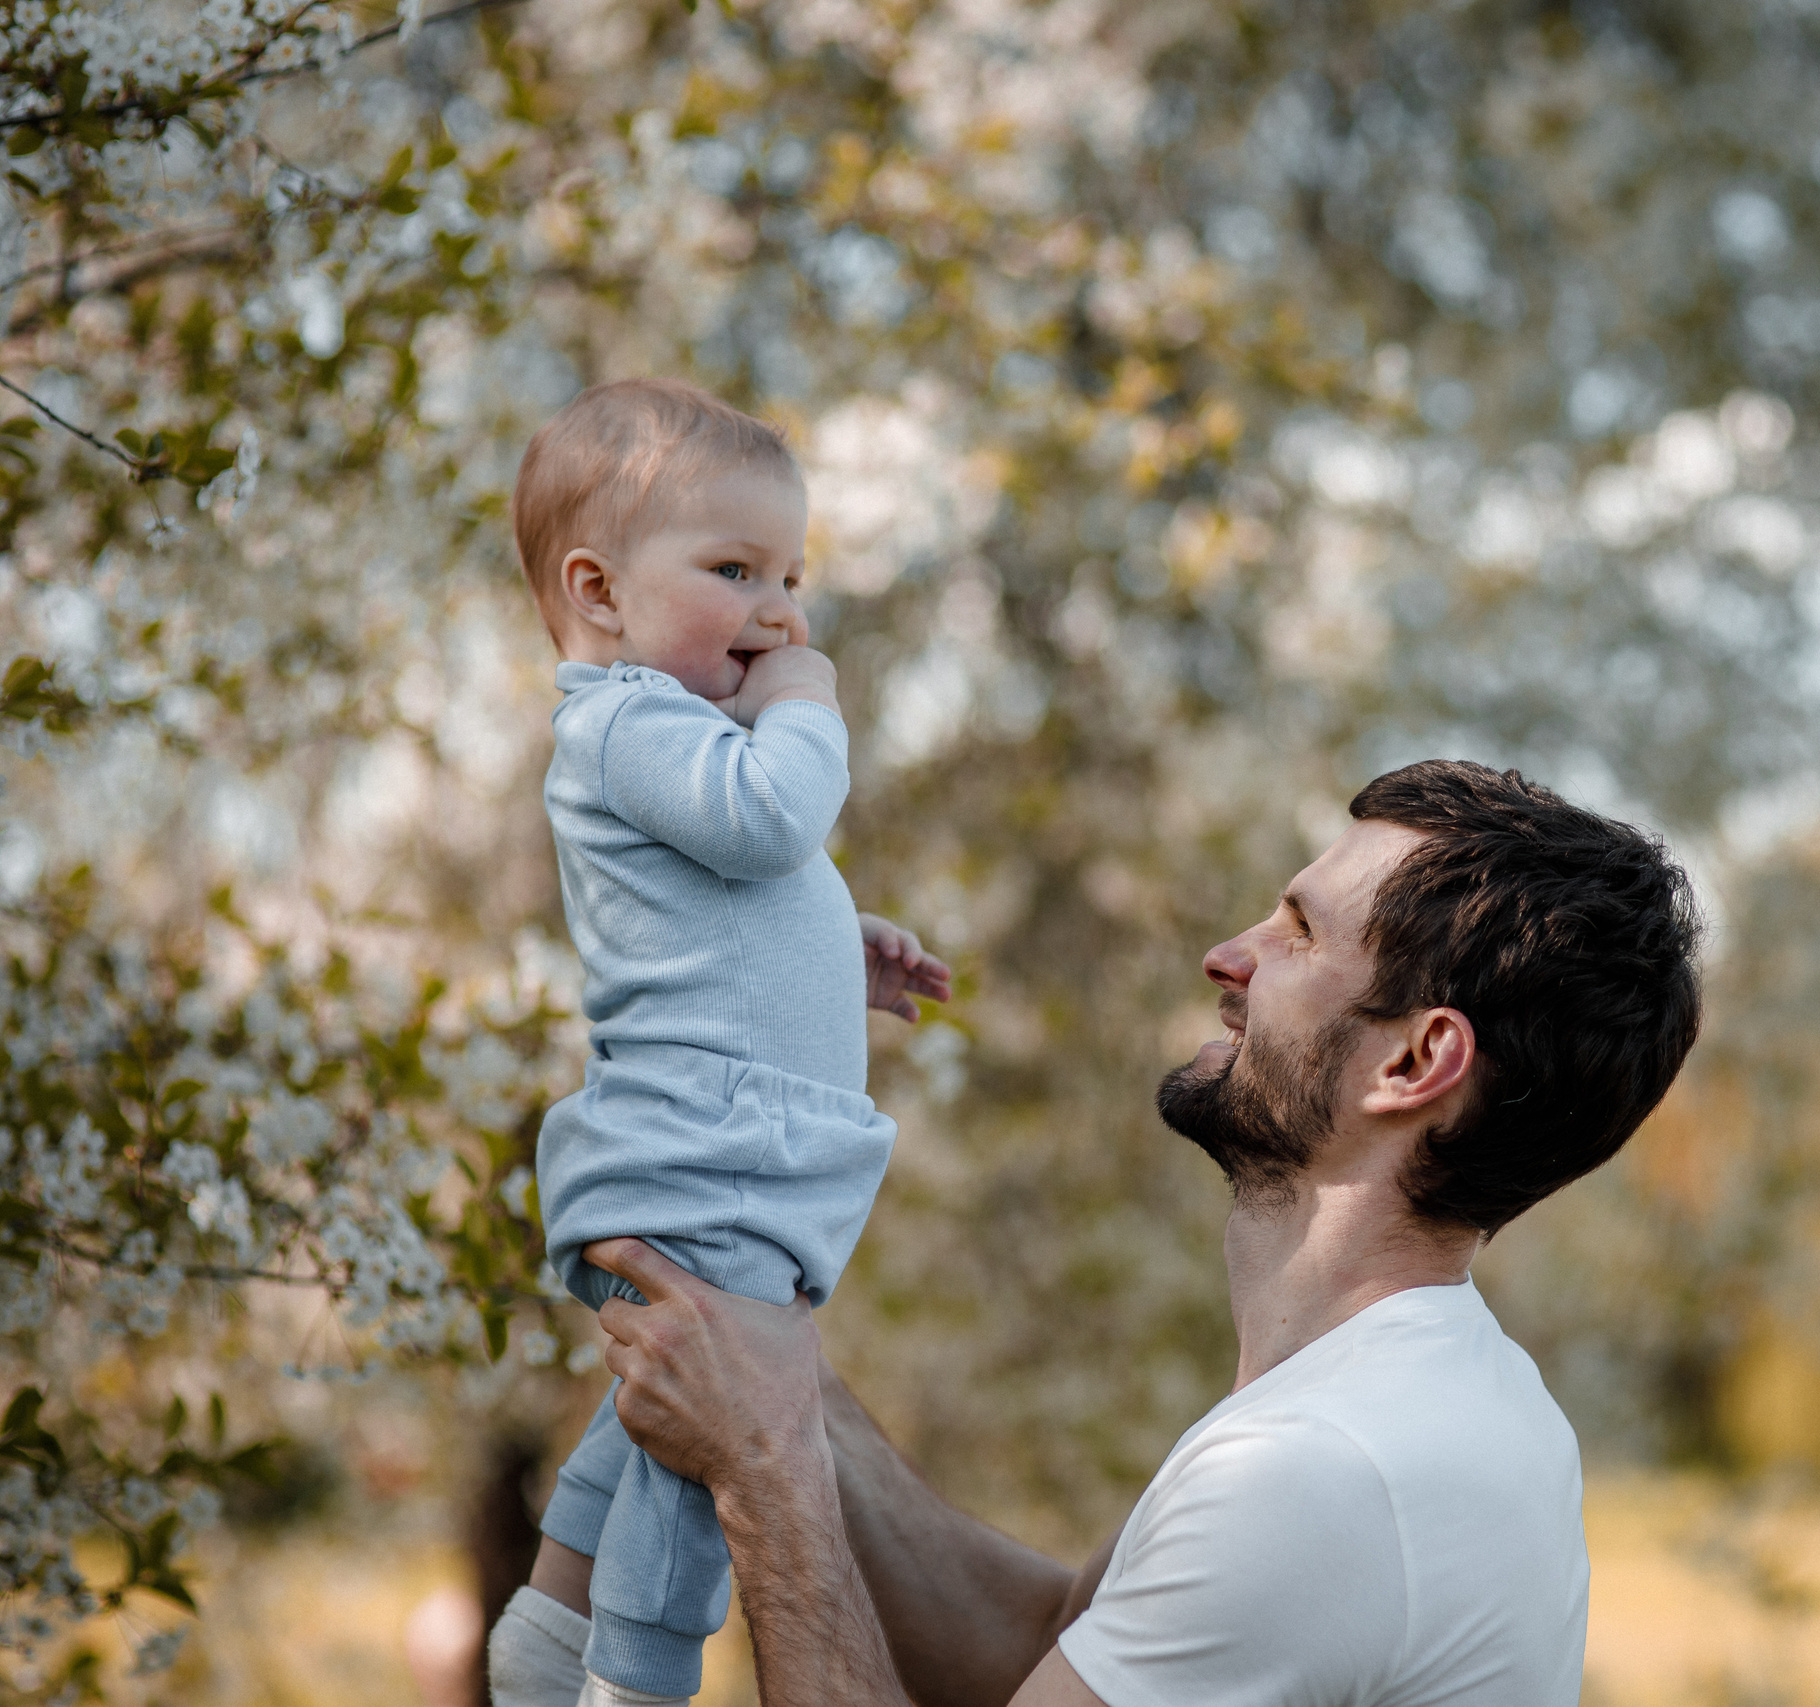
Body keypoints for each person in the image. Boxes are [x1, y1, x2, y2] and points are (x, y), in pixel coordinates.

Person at [506, 759, 1701, 1707]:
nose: (1226, 957)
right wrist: (780, 1372)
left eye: (1294, 933)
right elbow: (1045, 1651)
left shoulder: (1320, 1477)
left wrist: (767, 1475)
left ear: (1415, 1060)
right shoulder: (1408, 1399)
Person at [484, 379, 952, 1707]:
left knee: (658, 1407)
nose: (782, 611)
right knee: (717, 1424)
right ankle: (634, 1678)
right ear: (602, 592)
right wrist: (811, 704)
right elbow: (766, 822)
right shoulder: (628, 719)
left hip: (719, 1134)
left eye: (792, 575)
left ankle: (548, 1626)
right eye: (735, 568)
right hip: (712, 1147)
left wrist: (833, 953)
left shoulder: (668, 732)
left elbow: (727, 899)